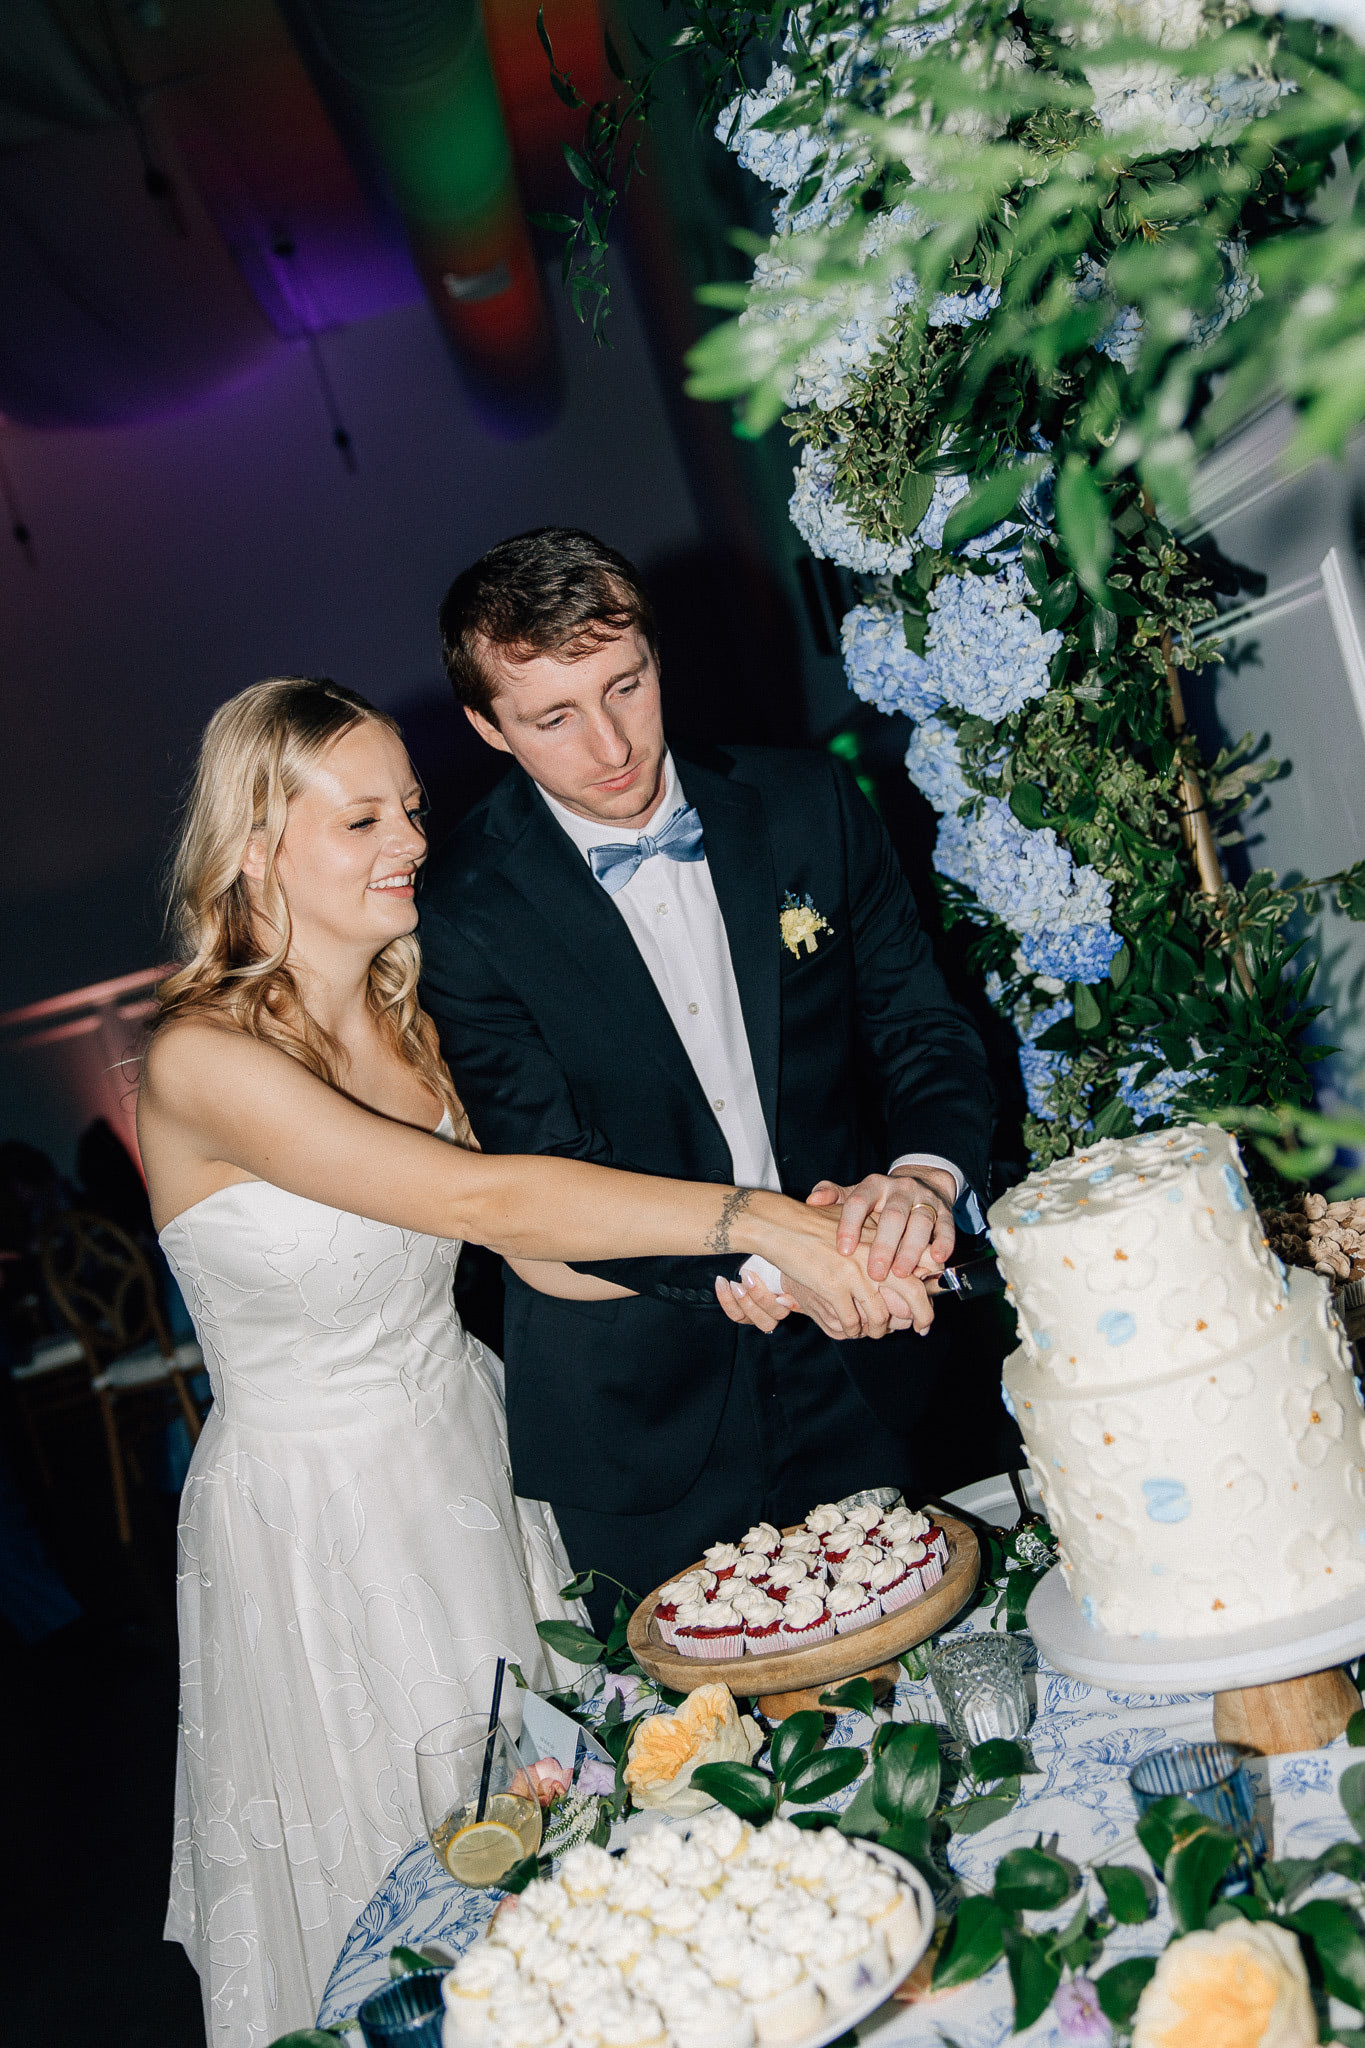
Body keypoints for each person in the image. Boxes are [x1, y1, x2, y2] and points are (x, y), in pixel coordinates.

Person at [137, 677, 891, 2046]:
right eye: (363, 817)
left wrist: (750, 1273)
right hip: (316, 1530)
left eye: (412, 809)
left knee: (570, 1857)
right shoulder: (198, 1062)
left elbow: (542, 1255)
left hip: (472, 1473)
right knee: (415, 1890)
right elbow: (487, 1204)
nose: (413, 841)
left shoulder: (410, 1020)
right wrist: (747, 1214)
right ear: (256, 848)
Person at [421, 529, 995, 1633]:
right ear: (488, 728)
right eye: (553, 716)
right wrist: (765, 1245)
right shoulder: (461, 914)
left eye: (624, 685)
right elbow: (544, 1169)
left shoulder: (806, 803)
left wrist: (921, 1181)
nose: (610, 743)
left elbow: (921, 1028)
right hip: (638, 1414)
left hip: (867, 1358)